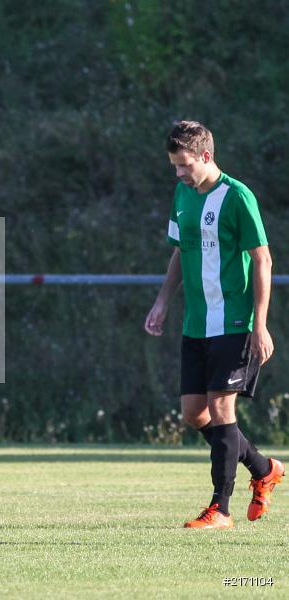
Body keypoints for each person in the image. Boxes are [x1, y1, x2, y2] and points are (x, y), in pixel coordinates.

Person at [145, 121, 283, 529]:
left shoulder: (238, 197)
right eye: (174, 166)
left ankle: (219, 509)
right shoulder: (182, 193)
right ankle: (263, 469)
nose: (179, 173)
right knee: (194, 413)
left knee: (222, 407)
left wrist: (261, 324)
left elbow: (263, 260)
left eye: (184, 165)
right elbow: (179, 251)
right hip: (196, 322)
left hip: (235, 321)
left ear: (206, 156)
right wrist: (162, 302)